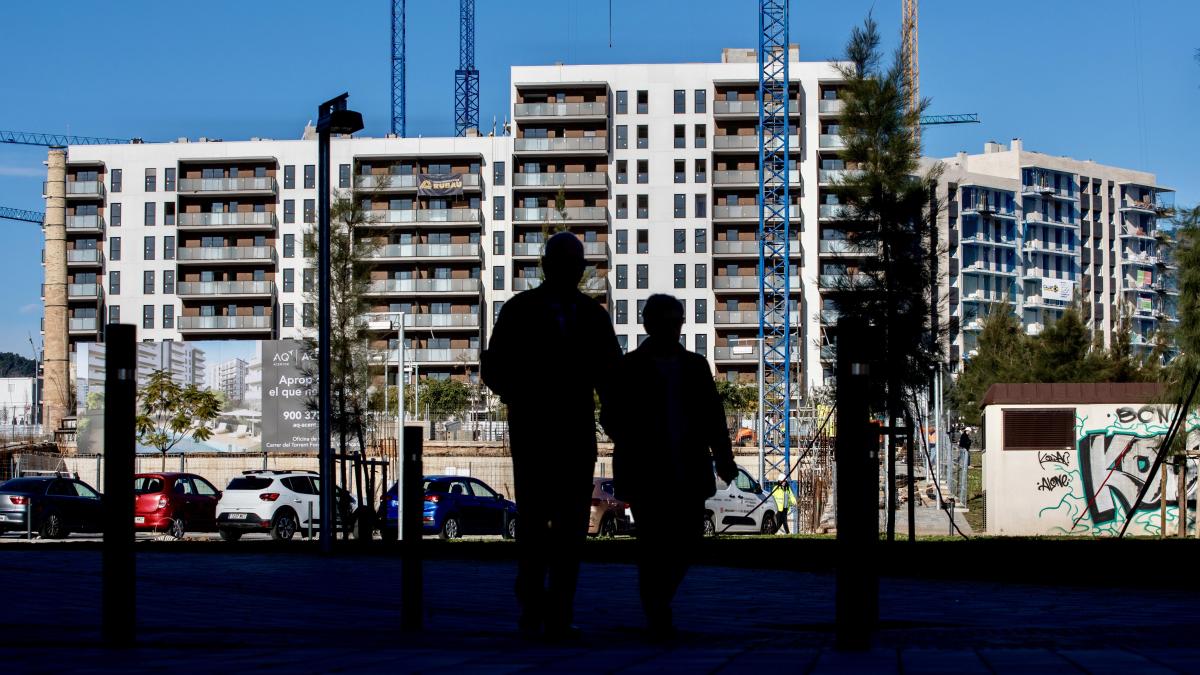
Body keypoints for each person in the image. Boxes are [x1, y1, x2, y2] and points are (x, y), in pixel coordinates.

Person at [481, 232, 621, 640]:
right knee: (543, 524)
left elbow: (610, 376)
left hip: (564, 435)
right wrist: (519, 393)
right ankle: (538, 605)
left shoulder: (584, 316)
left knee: (566, 526)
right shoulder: (526, 311)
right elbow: (494, 367)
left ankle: (554, 608)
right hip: (539, 432)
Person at [602, 294, 738, 640]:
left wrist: (723, 457)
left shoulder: (694, 366)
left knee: (689, 537)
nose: (673, 328)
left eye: (676, 321)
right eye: (668, 321)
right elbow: (611, 415)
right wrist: (633, 440)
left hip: (687, 469)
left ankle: (658, 599)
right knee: (652, 542)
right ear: (651, 324)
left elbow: (713, 416)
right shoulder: (629, 367)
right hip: (647, 471)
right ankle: (656, 606)